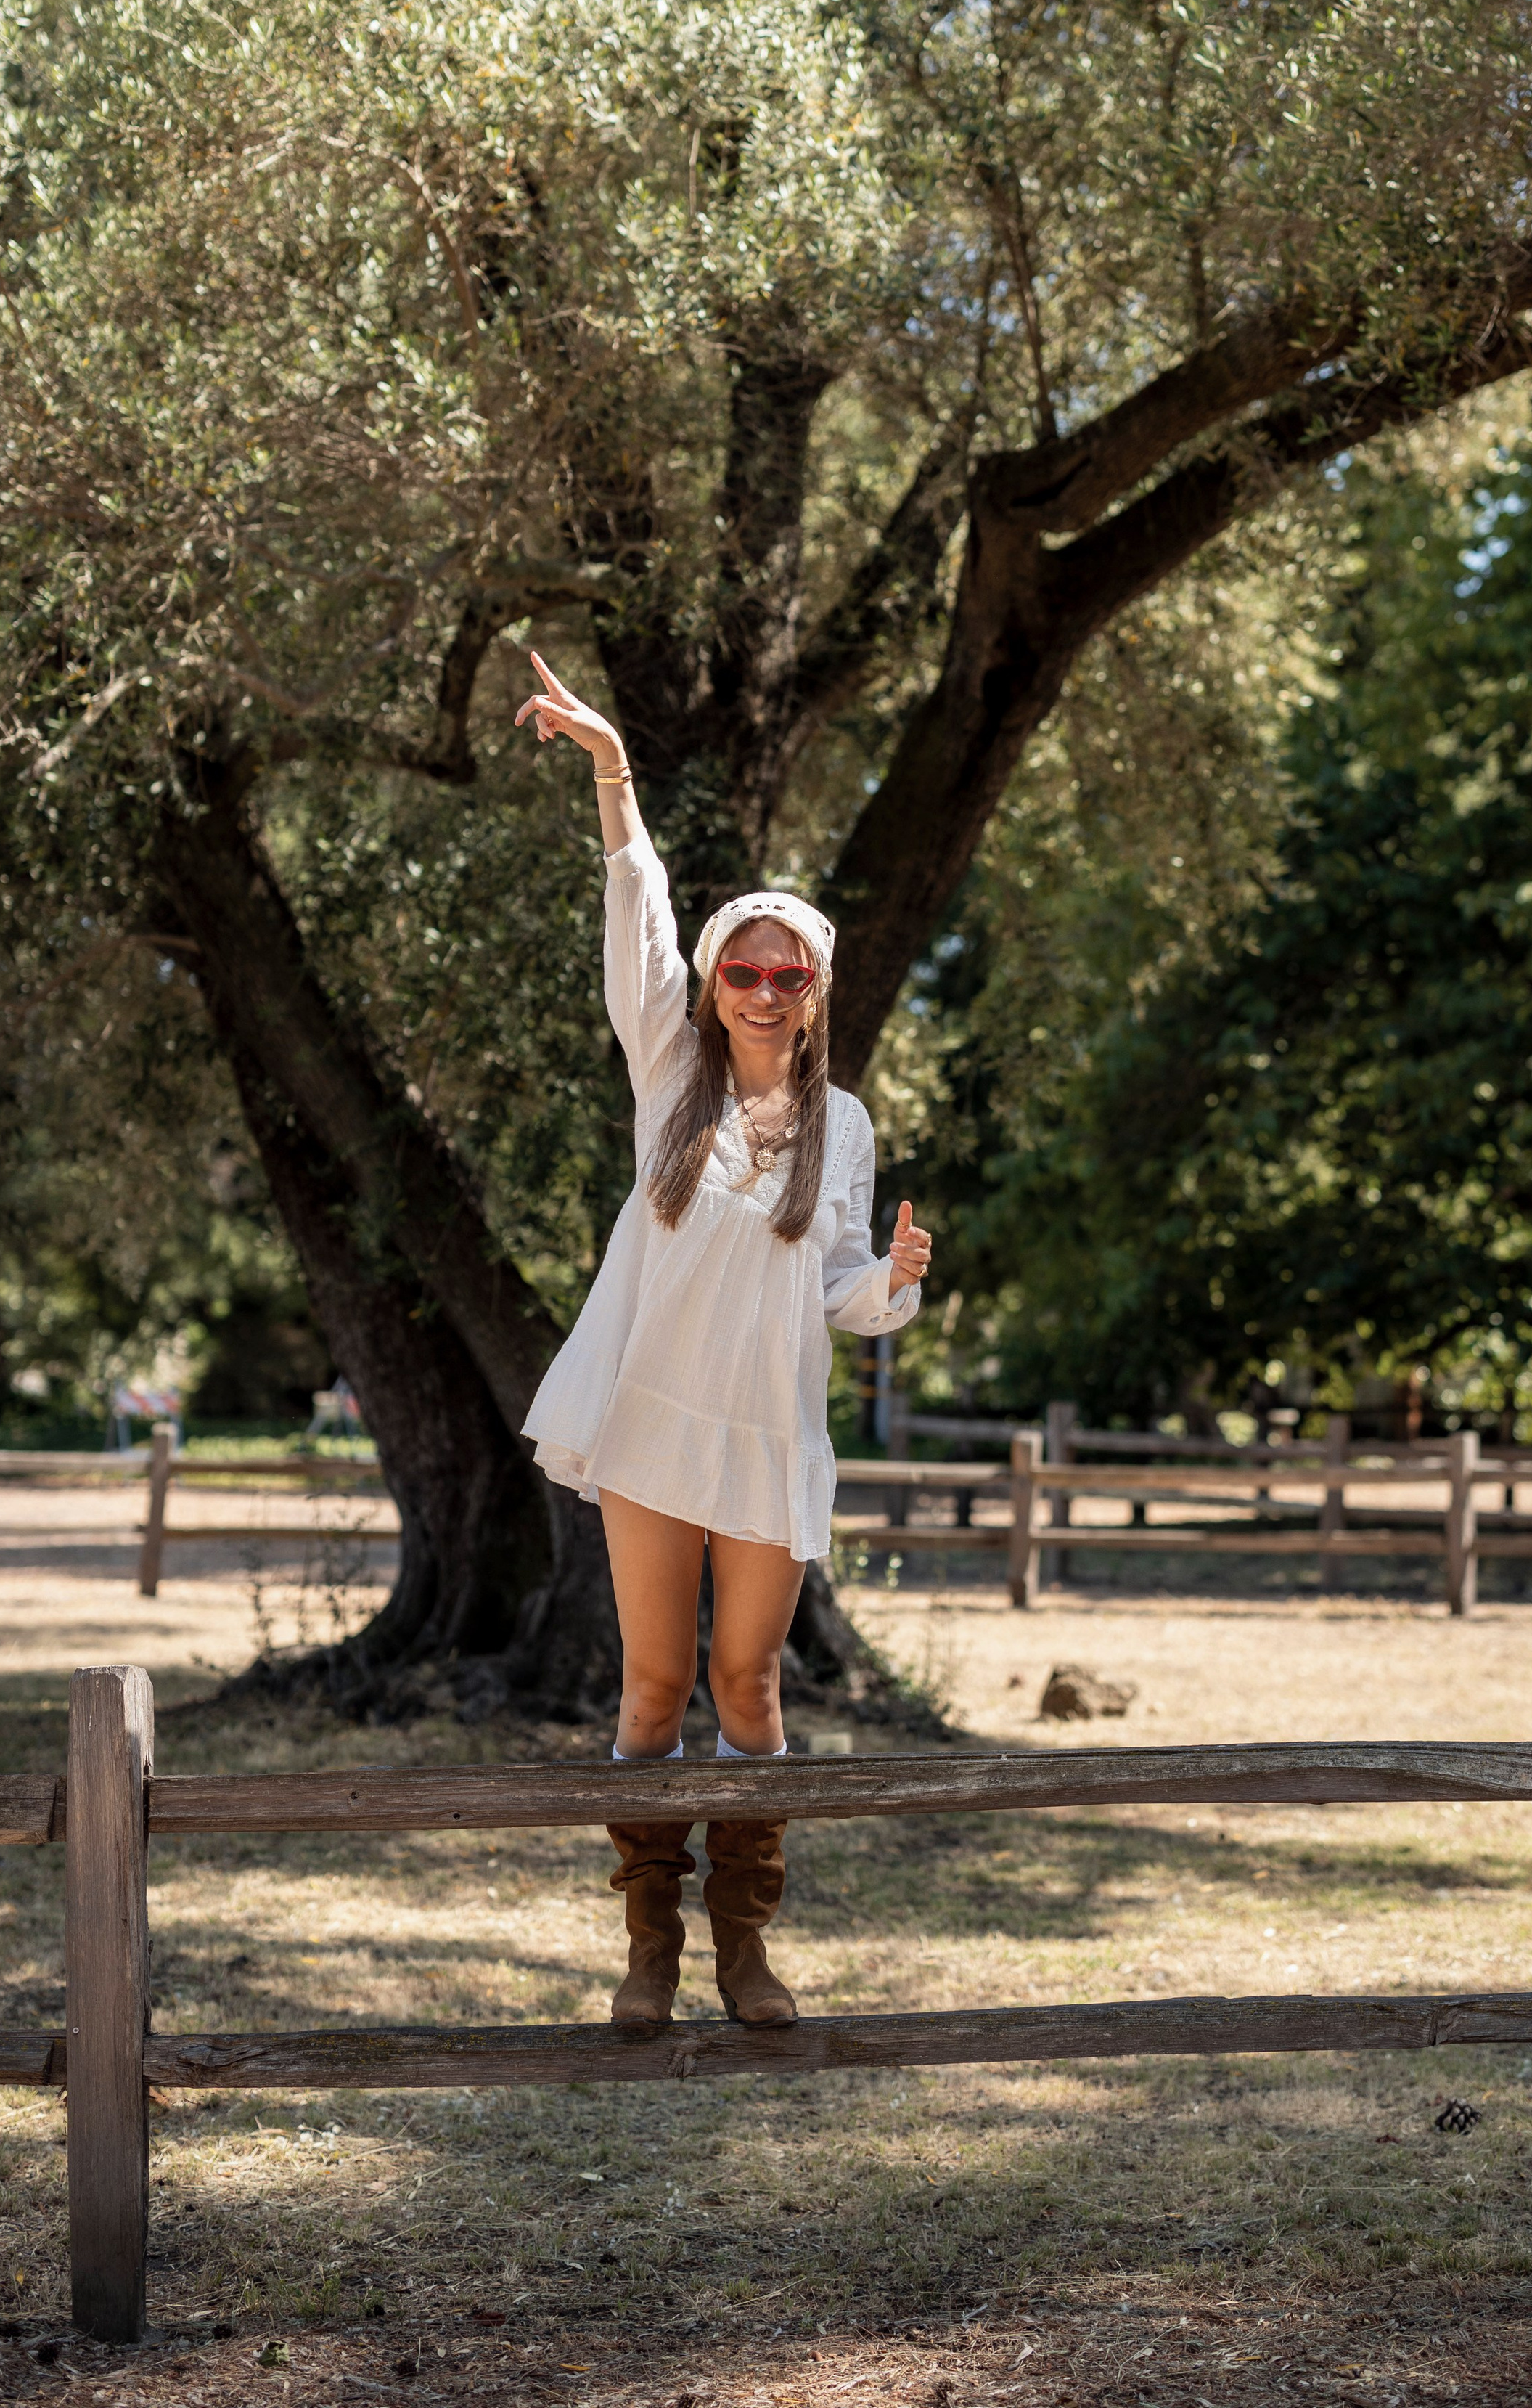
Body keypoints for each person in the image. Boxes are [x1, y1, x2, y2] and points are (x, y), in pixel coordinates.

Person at [514, 653, 932, 2033]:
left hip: (766, 1433)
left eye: (788, 974)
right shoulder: (669, 1082)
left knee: (749, 1684)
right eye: (744, 970)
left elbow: (842, 1292)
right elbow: (639, 920)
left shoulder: (845, 1125)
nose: (764, 988)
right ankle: (648, 1957)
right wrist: (612, 770)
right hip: (653, 1424)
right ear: (715, 987)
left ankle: (746, 1949)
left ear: (814, 993)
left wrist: (899, 1285)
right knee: (650, 1684)